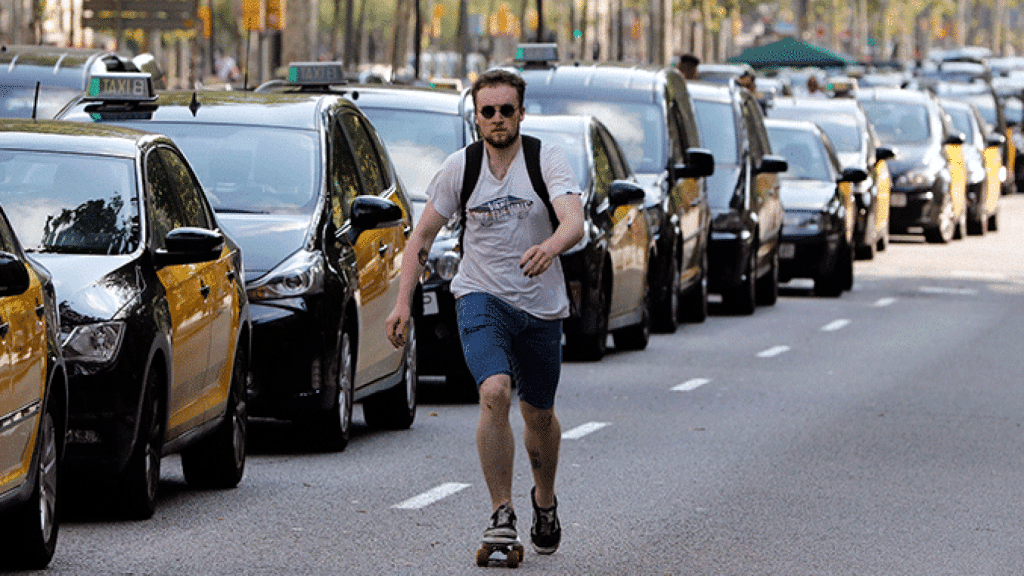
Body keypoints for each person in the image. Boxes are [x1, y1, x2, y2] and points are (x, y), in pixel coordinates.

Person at [384, 69, 584, 557]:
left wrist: (550, 247)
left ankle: (545, 500)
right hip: (480, 296)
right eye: (487, 111)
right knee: (494, 392)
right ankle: (501, 513)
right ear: (476, 116)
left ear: (521, 112)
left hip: (539, 306)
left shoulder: (545, 158)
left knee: (539, 414)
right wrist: (402, 303)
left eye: (506, 110)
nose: (497, 119)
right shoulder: (461, 167)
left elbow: (574, 221)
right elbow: (421, 240)